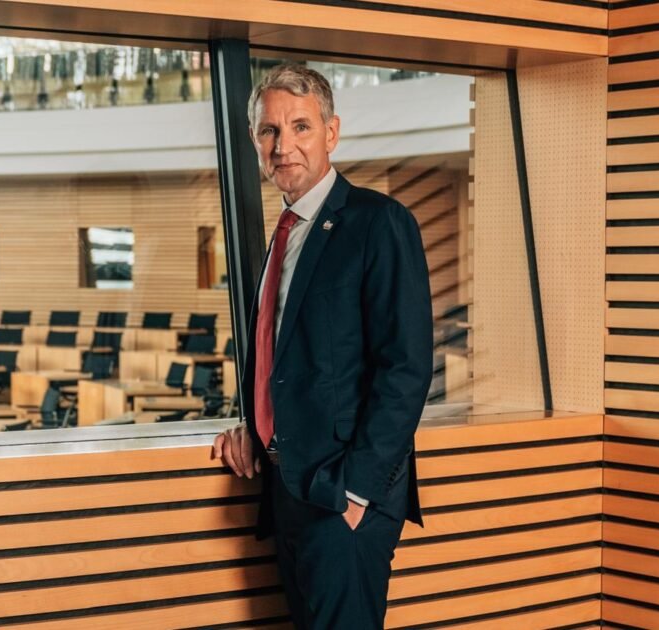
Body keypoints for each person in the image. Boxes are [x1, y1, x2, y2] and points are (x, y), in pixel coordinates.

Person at [212, 63, 432, 629]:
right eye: (269, 131)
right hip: (288, 488)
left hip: (340, 498)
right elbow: (288, 359)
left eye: (300, 127)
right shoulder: (284, 233)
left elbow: (405, 370)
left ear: (331, 133)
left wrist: (355, 493)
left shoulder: (377, 223)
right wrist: (253, 427)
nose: (283, 146)